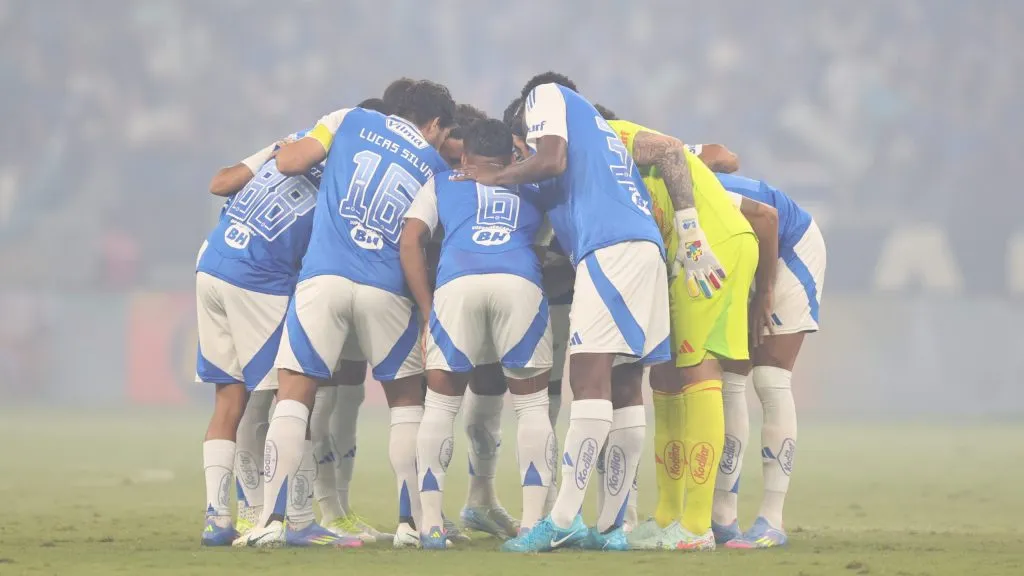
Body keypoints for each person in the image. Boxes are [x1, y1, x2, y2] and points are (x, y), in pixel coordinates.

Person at [457, 72, 670, 553]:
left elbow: (547, 158)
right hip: (639, 248)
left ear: (524, 128)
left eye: (519, 150)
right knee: (623, 384)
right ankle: (617, 527)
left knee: (587, 379)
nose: (521, 160)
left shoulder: (547, 96)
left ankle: (563, 518)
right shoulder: (592, 154)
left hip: (610, 248)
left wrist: (497, 174)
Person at [241, 81, 455, 548]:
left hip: (325, 280)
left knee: (293, 395)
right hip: (387, 289)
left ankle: (272, 522)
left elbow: (290, 162)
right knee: (405, 404)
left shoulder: (349, 119)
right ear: (434, 124)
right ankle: (408, 525)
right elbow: (420, 239)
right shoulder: (436, 167)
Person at [599, 114, 767, 551]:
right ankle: (668, 515)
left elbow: (690, 150)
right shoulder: (610, 167)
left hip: (708, 248)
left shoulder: (610, 134)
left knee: (697, 370)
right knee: (667, 374)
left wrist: (691, 236)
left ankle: (696, 525)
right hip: (682, 257)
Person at [197, 132, 360, 548]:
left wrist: (270, 150)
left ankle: (218, 519)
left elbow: (219, 184)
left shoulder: (281, 155)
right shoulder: (341, 185)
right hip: (257, 280)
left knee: (229, 399)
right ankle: (299, 520)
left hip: (212, 266)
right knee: (290, 399)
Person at [401, 118, 555, 549]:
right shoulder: (535, 185)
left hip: (457, 284)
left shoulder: (442, 181)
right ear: (510, 157)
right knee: (533, 408)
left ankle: (430, 524)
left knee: (440, 407)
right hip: (518, 282)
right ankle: (530, 525)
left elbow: (411, 237)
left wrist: (428, 308)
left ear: (465, 155)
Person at [711, 172, 826, 549]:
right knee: (728, 378)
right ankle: (722, 516)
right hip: (743, 256)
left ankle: (771, 520)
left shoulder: (684, 184)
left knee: (769, 378)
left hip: (789, 248)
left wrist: (765, 290)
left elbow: (767, 218)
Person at [308, 97, 395, 544]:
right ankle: (316, 508)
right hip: (323, 287)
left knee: (350, 396)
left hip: (357, 286)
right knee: (317, 402)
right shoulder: (328, 168)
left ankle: (338, 506)